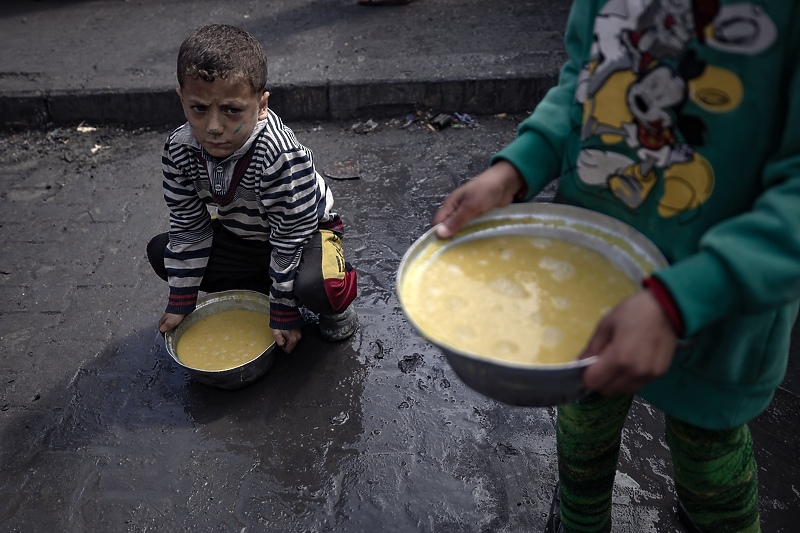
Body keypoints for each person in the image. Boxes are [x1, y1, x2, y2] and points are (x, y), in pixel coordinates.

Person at [432, 1, 800, 531]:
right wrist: (519, 166)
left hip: (725, 317)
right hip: (588, 279)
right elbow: (582, 89)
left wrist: (682, 300)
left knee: (710, 458)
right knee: (582, 427)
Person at [146, 24, 358, 354]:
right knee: (162, 251)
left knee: (319, 287)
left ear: (261, 106)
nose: (214, 127)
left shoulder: (278, 154)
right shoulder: (178, 149)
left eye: (232, 110)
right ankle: (262, 288)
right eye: (198, 108)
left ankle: (333, 304)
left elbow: (290, 237)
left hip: (304, 235)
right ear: (182, 99)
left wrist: (284, 308)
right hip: (245, 236)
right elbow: (189, 227)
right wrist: (181, 301)